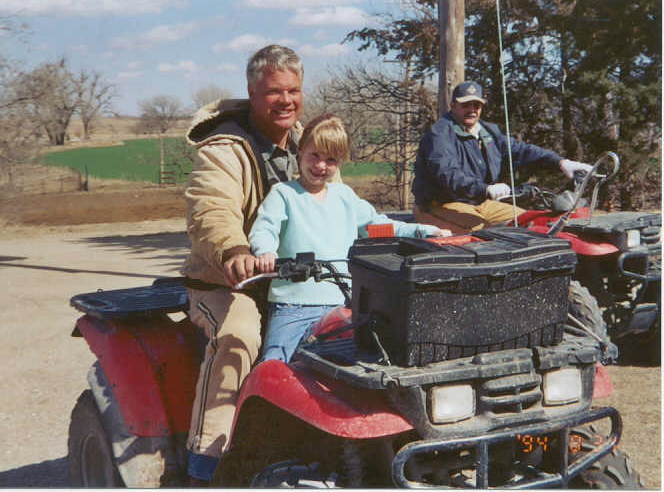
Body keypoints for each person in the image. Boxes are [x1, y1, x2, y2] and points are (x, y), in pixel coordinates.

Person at [182, 44, 309, 485]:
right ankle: (205, 463)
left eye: (293, 90)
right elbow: (210, 208)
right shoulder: (224, 150)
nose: (286, 101)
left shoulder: (308, 148)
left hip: (299, 285)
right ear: (253, 93)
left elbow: (339, 206)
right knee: (238, 339)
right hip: (228, 285)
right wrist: (235, 252)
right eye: (275, 92)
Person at [248, 114, 451, 363]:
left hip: (343, 302)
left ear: (340, 162)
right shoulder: (284, 195)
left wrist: (420, 231)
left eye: (331, 160)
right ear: (300, 151)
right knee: (275, 364)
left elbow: (377, 226)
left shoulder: (344, 196)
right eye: (315, 155)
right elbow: (265, 228)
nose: (321, 166)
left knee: (360, 364)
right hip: (294, 306)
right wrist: (265, 251)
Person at [412, 80, 592, 234]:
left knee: (529, 222)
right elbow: (448, 175)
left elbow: (522, 150)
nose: (472, 110)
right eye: (466, 104)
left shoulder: (487, 131)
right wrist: (486, 189)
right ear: (453, 106)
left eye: (477, 105)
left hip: (481, 203)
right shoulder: (440, 135)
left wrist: (561, 163)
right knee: (488, 235)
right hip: (440, 205)